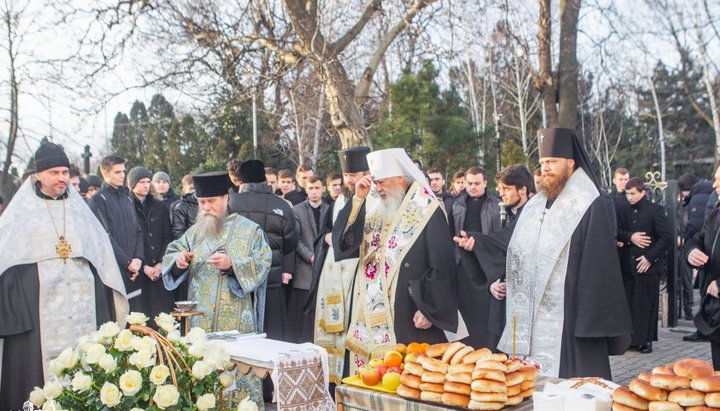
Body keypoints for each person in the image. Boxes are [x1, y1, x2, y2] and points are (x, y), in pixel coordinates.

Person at [456, 128, 632, 379]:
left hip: (569, 312)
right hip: (530, 315)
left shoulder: (589, 202)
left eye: (551, 162)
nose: (545, 168)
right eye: (541, 163)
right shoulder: (536, 204)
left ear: (570, 163)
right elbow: (512, 242)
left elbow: (599, 264)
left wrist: (584, 313)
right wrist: (478, 243)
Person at [0, 142, 128, 410]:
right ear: (39, 175)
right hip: (38, 319)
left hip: (83, 313)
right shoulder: (20, 215)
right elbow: (7, 264)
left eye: (65, 172)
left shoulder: (81, 211)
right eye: (55, 172)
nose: (62, 178)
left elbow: (101, 261)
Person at [335, 148, 459, 372]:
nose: (378, 188)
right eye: (376, 183)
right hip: (369, 312)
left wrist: (430, 309)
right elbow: (344, 246)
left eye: (382, 182)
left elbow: (442, 264)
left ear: (401, 179)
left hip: (408, 309)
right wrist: (358, 199)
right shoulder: (372, 204)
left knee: (407, 378)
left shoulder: (426, 207)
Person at [162, 171, 271, 407]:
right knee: (204, 383)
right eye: (202, 203)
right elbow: (171, 255)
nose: (206, 207)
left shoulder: (250, 230)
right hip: (200, 321)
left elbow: (263, 262)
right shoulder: (194, 233)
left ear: (225, 198)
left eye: (211, 201)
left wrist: (233, 265)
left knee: (239, 383)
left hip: (237, 323)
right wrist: (179, 261)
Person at [308, 146, 373, 384]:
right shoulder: (339, 200)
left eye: (353, 176)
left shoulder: (374, 197)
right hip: (333, 272)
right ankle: (331, 383)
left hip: (358, 270)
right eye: (346, 176)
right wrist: (325, 239)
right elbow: (328, 231)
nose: (349, 181)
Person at [455, 164, 534, 352]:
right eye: (500, 189)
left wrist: (477, 241)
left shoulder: (531, 216)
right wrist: (495, 280)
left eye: (506, 189)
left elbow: (506, 242)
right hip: (504, 291)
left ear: (522, 189)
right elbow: (502, 249)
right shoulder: (509, 212)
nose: (502, 194)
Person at [228, 160, 298, 344]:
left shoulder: (231, 203)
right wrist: (286, 270)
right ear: (265, 179)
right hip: (271, 277)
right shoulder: (281, 205)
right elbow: (291, 241)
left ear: (241, 179)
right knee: (273, 333)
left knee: (240, 334)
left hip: (237, 278)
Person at [617, 177, 672, 354]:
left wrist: (650, 258)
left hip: (647, 268)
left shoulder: (655, 210)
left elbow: (666, 237)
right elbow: (616, 230)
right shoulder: (622, 209)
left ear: (642, 192)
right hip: (627, 266)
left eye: (633, 193)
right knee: (628, 304)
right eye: (627, 193)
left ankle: (645, 340)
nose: (629, 197)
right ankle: (629, 340)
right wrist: (630, 236)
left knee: (646, 305)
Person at [451, 166, 501, 348]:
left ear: (485, 183)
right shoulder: (457, 205)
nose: (473, 187)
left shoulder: (496, 205)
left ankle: (487, 348)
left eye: (477, 183)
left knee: (485, 309)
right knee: (466, 309)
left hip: (486, 264)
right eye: (469, 183)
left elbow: (497, 235)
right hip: (463, 264)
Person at [88, 155, 145, 309]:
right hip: (115, 270)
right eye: (117, 172)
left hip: (134, 270)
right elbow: (104, 237)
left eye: (123, 172)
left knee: (137, 318)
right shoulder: (98, 199)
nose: (122, 176)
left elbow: (138, 230)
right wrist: (127, 263)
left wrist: (138, 258)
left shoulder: (127, 197)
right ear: (105, 173)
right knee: (118, 319)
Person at [128, 167, 176, 322]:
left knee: (161, 315)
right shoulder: (127, 207)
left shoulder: (160, 207)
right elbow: (128, 239)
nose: (146, 185)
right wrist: (144, 266)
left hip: (158, 271)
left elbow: (167, 236)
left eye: (148, 181)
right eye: (141, 182)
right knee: (140, 316)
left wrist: (161, 263)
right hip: (137, 270)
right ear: (132, 184)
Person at [686, 165, 720, 368]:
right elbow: (698, 238)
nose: (715, 184)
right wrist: (691, 252)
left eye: (719, 179)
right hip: (714, 307)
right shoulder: (716, 212)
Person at [291, 176, 329, 342]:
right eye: (311, 188)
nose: (314, 192)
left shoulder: (329, 209)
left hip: (325, 267)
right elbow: (296, 239)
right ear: (305, 189)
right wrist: (310, 256)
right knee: (303, 310)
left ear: (323, 189)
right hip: (305, 268)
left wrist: (322, 257)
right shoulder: (297, 210)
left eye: (317, 188)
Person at [170, 174, 198, 239]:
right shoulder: (177, 206)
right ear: (184, 189)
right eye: (191, 189)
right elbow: (178, 231)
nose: (194, 192)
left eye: (195, 189)